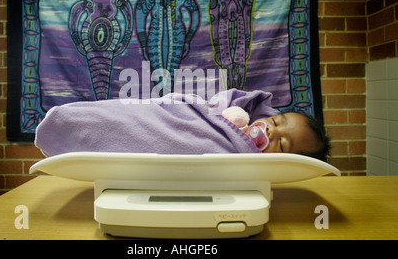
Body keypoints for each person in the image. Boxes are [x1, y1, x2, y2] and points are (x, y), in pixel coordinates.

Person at [34, 89, 331, 161]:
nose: (271, 131)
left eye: (282, 144)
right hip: (177, 116)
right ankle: (70, 122)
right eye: (277, 121)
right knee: (125, 115)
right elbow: (192, 111)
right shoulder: (238, 112)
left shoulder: (246, 156)